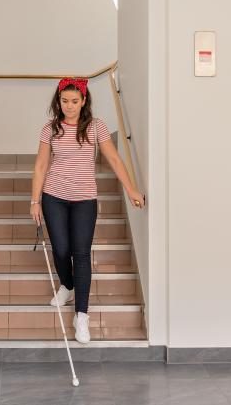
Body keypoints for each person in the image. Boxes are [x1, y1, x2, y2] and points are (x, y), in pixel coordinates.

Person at [30, 77, 145, 344]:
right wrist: (35, 200)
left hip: (85, 200)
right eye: (64, 101)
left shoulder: (96, 127)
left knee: (80, 254)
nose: (69, 106)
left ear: (84, 102)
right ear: (58, 102)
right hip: (54, 196)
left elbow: (114, 159)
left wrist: (131, 190)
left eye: (74, 101)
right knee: (60, 250)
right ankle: (67, 286)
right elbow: (40, 165)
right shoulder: (51, 129)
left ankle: (81, 315)